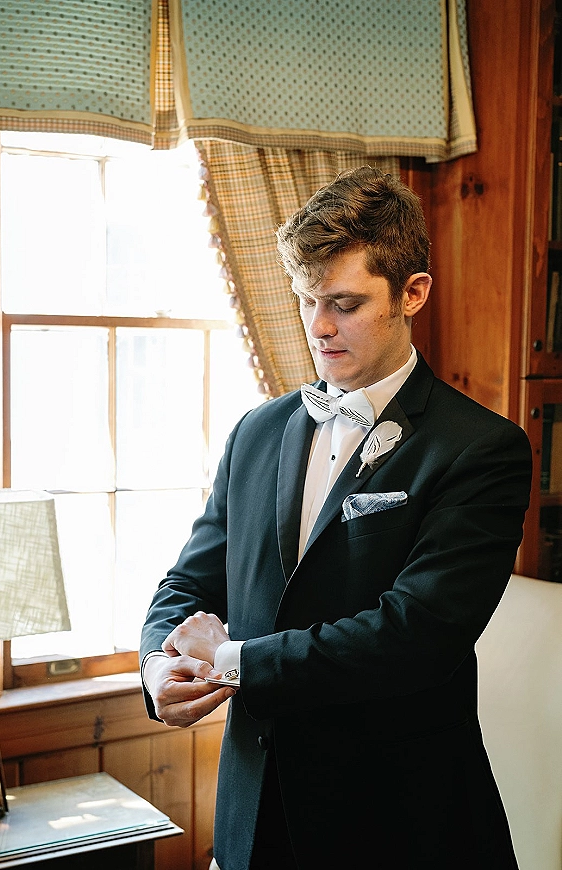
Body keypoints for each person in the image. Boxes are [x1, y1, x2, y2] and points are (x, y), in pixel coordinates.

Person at [140, 166, 532, 870]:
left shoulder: (483, 450)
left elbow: (413, 636)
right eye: (307, 300)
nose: (319, 327)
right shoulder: (257, 430)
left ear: (413, 293)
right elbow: (189, 584)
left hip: (396, 826)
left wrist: (230, 664)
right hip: (252, 820)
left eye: (345, 304)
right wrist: (155, 667)